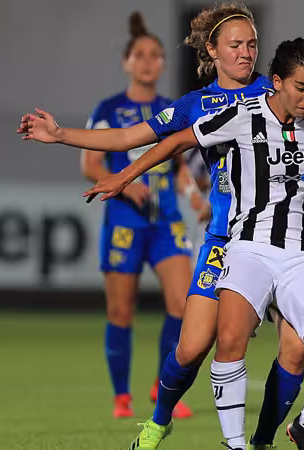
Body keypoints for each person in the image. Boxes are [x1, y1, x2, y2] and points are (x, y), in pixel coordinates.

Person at [84, 38, 304, 450]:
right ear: (277, 82)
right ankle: (217, 439)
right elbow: (177, 141)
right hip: (247, 247)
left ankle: (296, 428)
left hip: (303, 253)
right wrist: (123, 175)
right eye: (302, 87)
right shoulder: (241, 115)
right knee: (220, 341)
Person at [78, 12, 206, 420]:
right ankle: (121, 396)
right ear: (127, 62)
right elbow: (90, 164)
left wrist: (194, 197)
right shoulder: (109, 109)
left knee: (183, 304)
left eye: (156, 55)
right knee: (121, 311)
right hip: (125, 222)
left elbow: (180, 166)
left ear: (164, 63)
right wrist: (126, 183)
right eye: (141, 55)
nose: (149, 62)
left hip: (166, 220)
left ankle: (161, 387)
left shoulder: (171, 108)